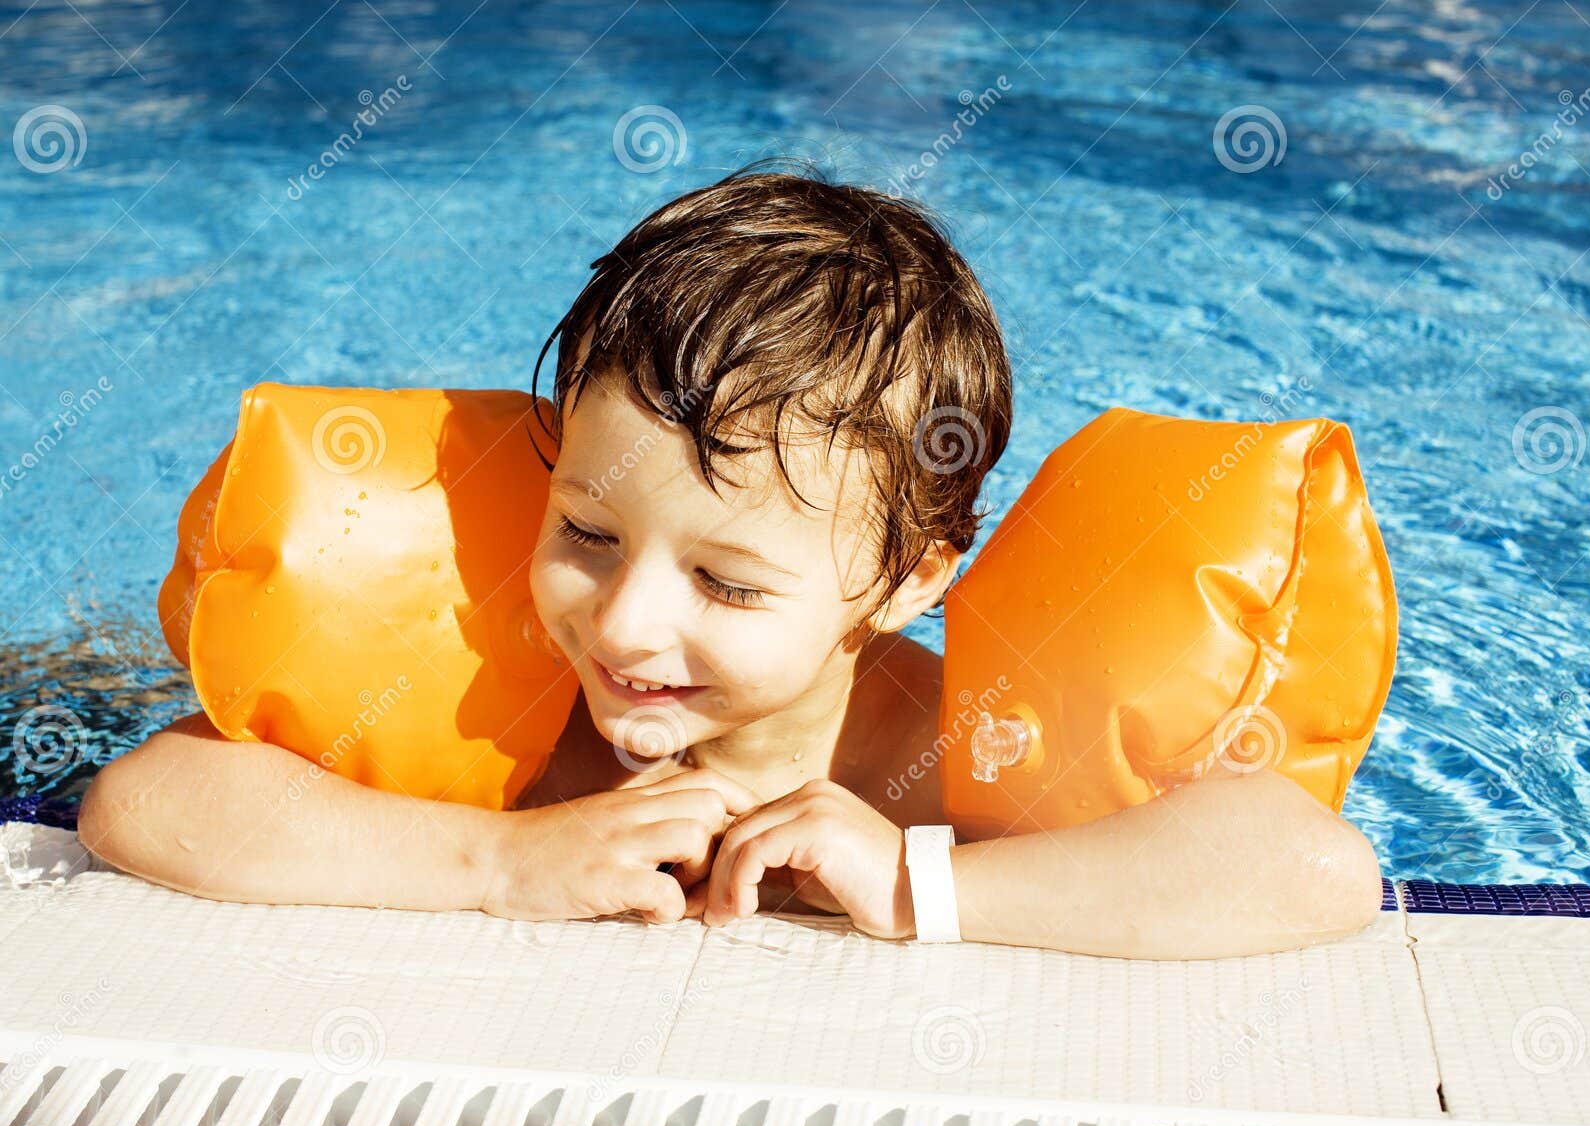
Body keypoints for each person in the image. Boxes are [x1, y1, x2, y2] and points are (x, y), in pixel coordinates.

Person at [78, 160, 1381, 959]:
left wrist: (917, 882)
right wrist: (500, 863)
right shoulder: (513, 724)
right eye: (587, 535)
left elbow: (1309, 867)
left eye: (728, 583)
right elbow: (145, 802)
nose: (623, 626)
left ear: (912, 581)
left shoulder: (947, 766)